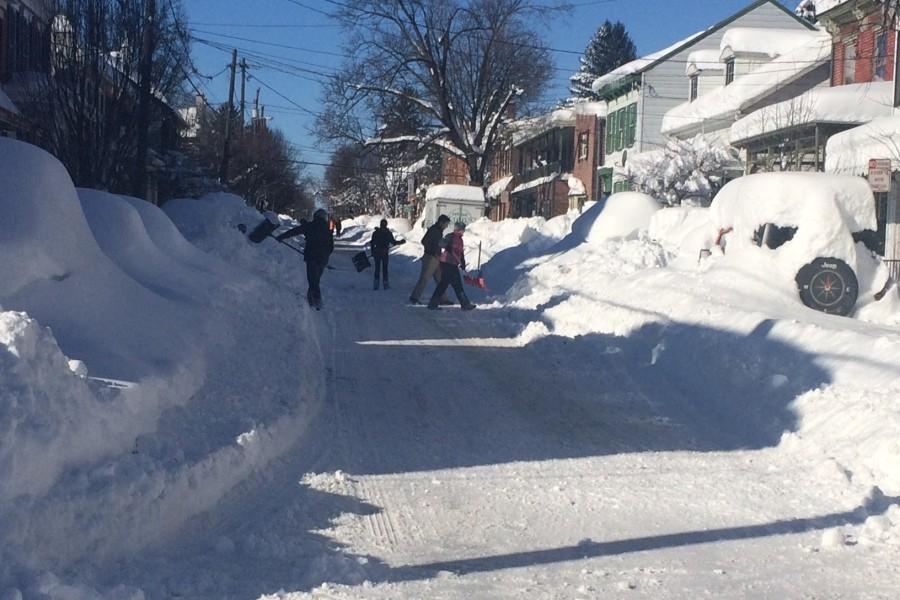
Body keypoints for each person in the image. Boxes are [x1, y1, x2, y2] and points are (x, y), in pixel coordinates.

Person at [277, 208, 334, 309]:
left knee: (312, 280)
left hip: (311, 256)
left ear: (315, 216)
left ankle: (317, 301)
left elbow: (294, 231)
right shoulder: (328, 229)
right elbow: (331, 246)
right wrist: (326, 255)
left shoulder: (310, 226)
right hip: (323, 258)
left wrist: (281, 237)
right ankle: (311, 299)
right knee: (315, 279)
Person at [428, 222, 476, 311]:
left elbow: (460, 253)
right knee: (457, 284)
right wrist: (447, 246)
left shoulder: (460, 240)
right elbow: (441, 243)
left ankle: (433, 303)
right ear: (459, 229)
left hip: (453, 263)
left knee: (444, 284)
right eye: (463, 230)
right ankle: (465, 304)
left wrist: (463, 263)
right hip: (446, 263)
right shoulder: (450, 236)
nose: (463, 231)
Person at [409, 214, 451, 305]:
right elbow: (424, 241)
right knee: (424, 278)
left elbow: (437, 243)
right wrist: (433, 252)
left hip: (436, 258)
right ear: (441, 222)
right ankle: (414, 297)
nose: (447, 226)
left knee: (440, 279)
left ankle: (443, 298)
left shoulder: (439, 231)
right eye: (446, 224)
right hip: (430, 258)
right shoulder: (434, 230)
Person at [369, 218, 406, 290]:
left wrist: (372, 252)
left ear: (380, 224)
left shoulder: (376, 232)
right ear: (386, 225)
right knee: (385, 268)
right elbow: (393, 242)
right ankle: (385, 284)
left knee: (377, 268)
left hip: (377, 252)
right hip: (384, 252)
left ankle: (376, 285)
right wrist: (401, 242)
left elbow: (372, 243)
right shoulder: (388, 233)